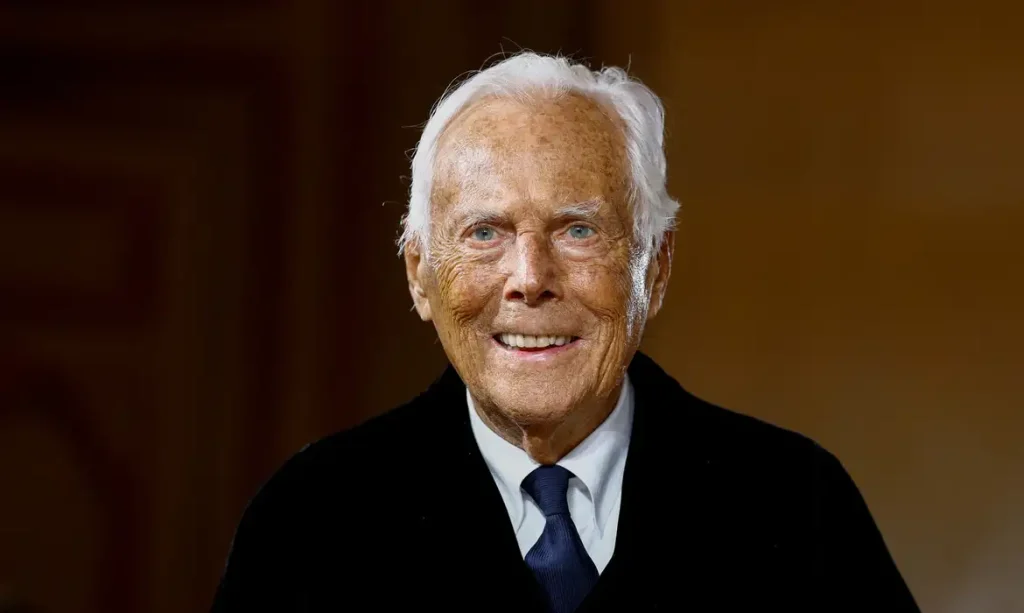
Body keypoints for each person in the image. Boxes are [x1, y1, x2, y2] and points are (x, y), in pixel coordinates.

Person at [211, 53, 919, 612]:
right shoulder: (309, 522)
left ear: (656, 266)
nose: (529, 277)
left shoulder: (798, 509)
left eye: (579, 230)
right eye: (484, 233)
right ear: (419, 275)